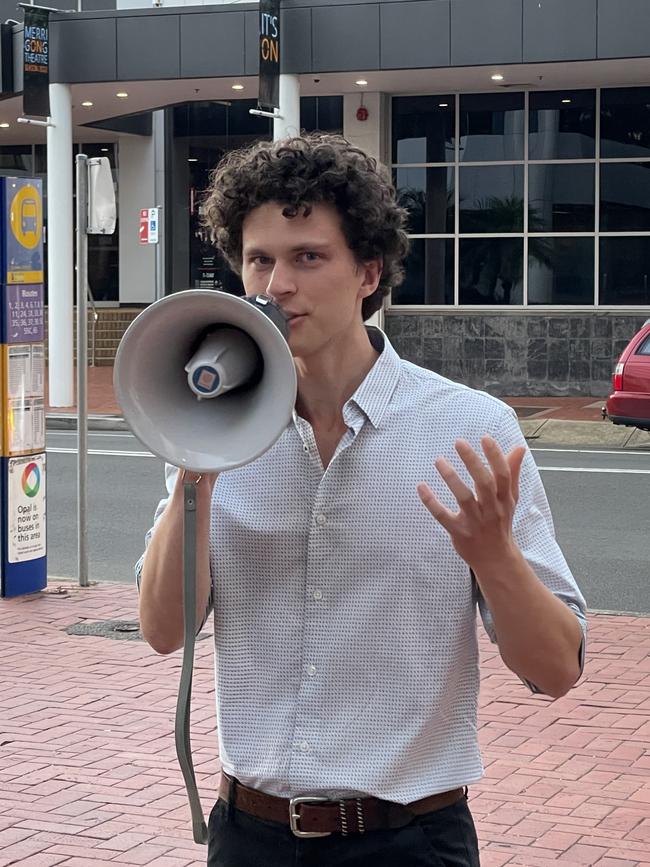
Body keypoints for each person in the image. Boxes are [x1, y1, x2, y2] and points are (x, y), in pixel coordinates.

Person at [136, 133, 587, 867]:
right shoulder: (212, 430)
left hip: (410, 839)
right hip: (249, 833)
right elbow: (162, 630)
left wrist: (495, 556)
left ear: (368, 272)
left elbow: (558, 670)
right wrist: (195, 469)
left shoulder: (470, 427)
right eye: (260, 260)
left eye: (308, 257)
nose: (278, 284)